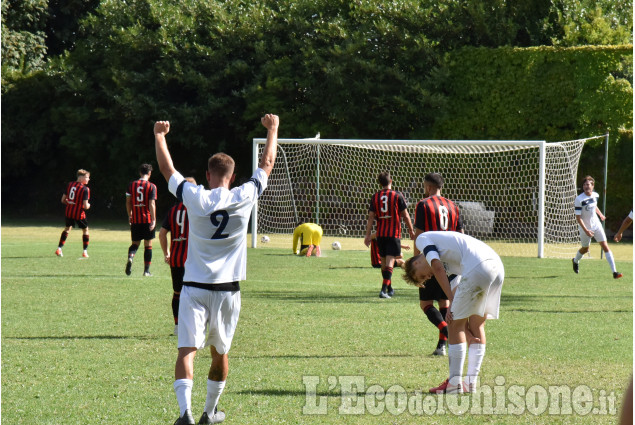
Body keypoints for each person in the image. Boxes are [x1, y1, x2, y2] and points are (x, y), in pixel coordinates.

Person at [154, 114, 279, 425]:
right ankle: (209, 413)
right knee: (219, 353)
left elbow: (168, 170)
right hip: (227, 290)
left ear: (208, 175)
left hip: (194, 287)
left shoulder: (195, 197)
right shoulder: (244, 195)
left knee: (187, 349)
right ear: (233, 176)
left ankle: (185, 413)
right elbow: (266, 165)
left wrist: (159, 136)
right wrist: (273, 129)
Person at [403, 231, 504, 394]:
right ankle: (470, 383)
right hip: (496, 267)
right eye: (425, 279)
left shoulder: (421, 240)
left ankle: (454, 384)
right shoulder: (448, 259)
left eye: (422, 275)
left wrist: (451, 302)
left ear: (415, 263)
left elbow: (436, 267)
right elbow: (455, 284)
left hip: (479, 266)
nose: (428, 277)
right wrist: (453, 302)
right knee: (477, 325)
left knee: (454, 325)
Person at [413, 172, 464, 356]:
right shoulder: (453, 206)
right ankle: (441, 347)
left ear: (427, 187)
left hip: (429, 260)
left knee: (426, 303)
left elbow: (419, 235)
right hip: (450, 262)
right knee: (445, 302)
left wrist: (416, 261)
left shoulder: (423, 204)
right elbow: (461, 235)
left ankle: (445, 331)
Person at [364, 172, 415, 299]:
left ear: (380, 183)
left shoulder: (375, 196)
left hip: (380, 234)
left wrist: (367, 235)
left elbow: (371, 217)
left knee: (384, 261)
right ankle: (383, 290)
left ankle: (389, 288)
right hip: (393, 233)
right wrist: (411, 231)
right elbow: (405, 215)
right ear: (391, 181)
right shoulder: (397, 195)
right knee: (391, 261)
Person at [159, 177, 196, 336]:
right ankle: (193, 326)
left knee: (177, 293)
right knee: (195, 293)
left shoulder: (173, 210)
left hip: (176, 258)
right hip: (192, 260)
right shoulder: (196, 209)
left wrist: (166, 252)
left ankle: (177, 326)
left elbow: (162, 234)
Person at [571, 176, 622, 279]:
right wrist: (586, 230)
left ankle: (615, 272)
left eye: (588, 184)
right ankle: (575, 261)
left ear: (592, 186)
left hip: (596, 224)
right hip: (585, 227)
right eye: (584, 184)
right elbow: (578, 218)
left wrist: (601, 214)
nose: (586, 186)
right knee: (585, 249)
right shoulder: (579, 199)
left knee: (605, 246)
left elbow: (594, 206)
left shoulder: (596, 195)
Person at [125, 163, 157, 277]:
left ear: (140, 173)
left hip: (136, 220)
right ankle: (146, 271)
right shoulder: (151, 186)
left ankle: (130, 257)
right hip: (147, 219)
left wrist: (130, 215)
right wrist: (153, 219)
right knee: (148, 244)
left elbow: (128, 202)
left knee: (135, 244)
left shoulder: (131, 185)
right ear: (149, 173)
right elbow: (151, 203)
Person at [55, 169, 91, 258]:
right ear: (81, 177)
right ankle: (85, 252)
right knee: (85, 230)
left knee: (67, 229)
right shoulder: (85, 189)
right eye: (87, 177)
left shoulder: (70, 185)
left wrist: (70, 203)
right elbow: (85, 206)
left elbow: (63, 200)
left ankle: (59, 249)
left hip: (69, 211)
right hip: (79, 213)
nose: (88, 179)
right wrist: (89, 205)